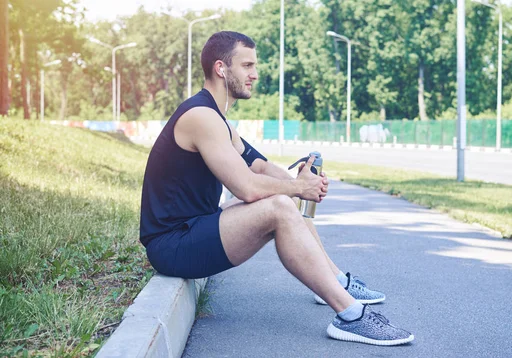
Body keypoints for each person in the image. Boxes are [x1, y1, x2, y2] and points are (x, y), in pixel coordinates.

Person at [139, 31, 414, 346]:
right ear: (221, 68)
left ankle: (335, 283)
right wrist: (296, 188)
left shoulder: (219, 120)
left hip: (194, 228)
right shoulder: (200, 116)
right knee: (280, 206)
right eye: (247, 65)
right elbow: (247, 188)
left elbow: (258, 165)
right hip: (172, 244)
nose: (254, 74)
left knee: (284, 197)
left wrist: (302, 182)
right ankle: (351, 315)